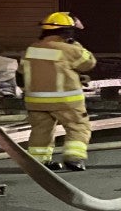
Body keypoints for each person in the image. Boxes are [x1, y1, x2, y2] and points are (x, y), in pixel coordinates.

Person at [21, 12, 97, 171]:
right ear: (68, 32)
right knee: (78, 126)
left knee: (41, 131)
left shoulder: (31, 49)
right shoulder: (69, 49)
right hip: (66, 101)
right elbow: (89, 63)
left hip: (35, 102)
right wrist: (75, 44)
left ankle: (39, 162)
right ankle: (74, 159)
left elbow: (23, 70)